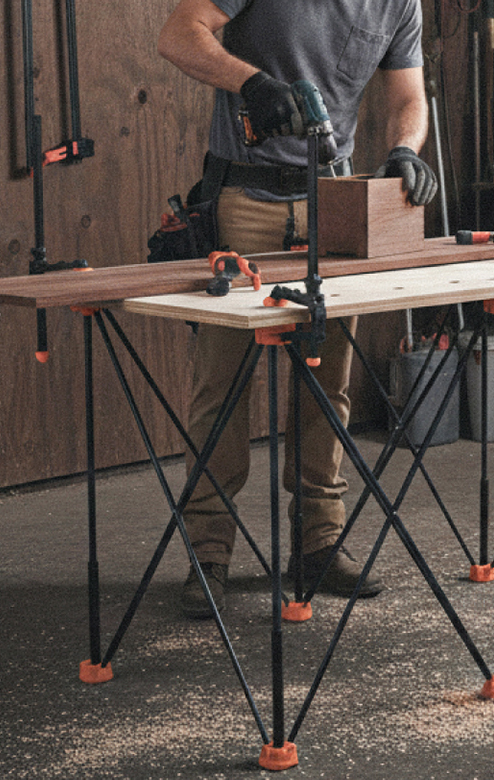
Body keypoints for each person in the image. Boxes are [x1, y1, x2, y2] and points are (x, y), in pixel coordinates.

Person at [158, 0, 438, 618]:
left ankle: (319, 543)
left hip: (334, 199)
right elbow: (178, 34)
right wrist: (250, 81)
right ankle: (208, 554)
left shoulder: (400, 4)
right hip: (243, 198)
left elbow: (407, 98)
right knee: (222, 386)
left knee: (326, 382)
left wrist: (404, 152)